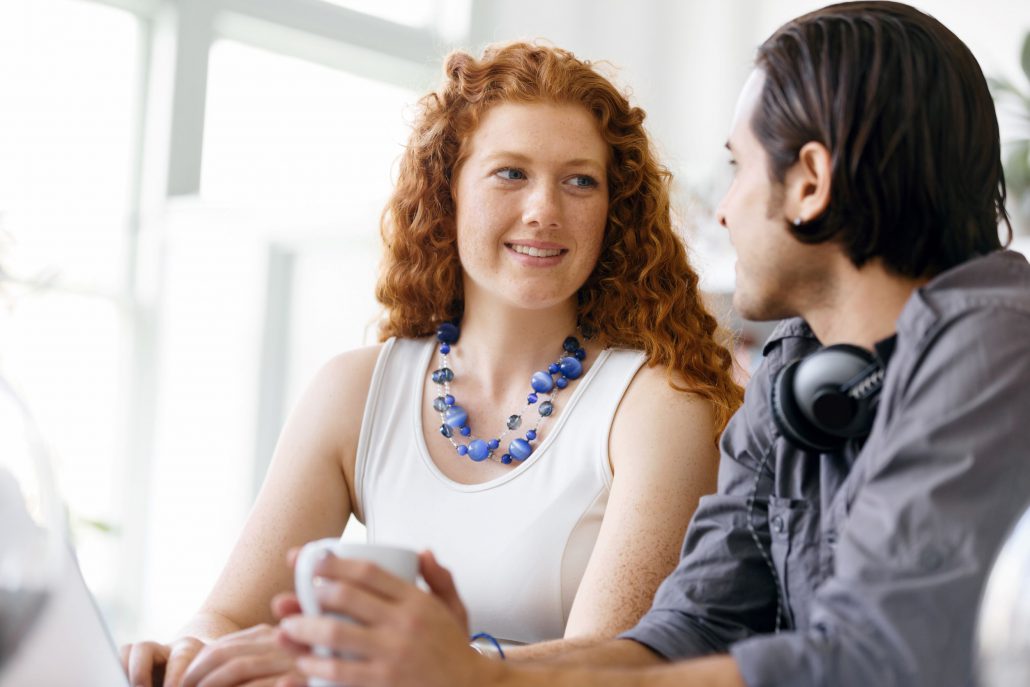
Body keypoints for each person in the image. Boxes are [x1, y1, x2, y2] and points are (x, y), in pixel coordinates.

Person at [272, 3, 1030, 686]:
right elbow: (686, 630)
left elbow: (872, 660)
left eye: (738, 169)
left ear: (809, 183)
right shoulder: (793, 376)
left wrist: (493, 683)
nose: (724, 211)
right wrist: (459, 665)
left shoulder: (997, 350)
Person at [121, 42, 744, 687]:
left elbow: (614, 663)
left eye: (580, 180)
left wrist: (405, 666)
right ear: (446, 191)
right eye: (511, 173)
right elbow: (228, 615)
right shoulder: (354, 391)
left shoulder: (657, 406)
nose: (545, 210)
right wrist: (185, 652)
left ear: (614, 211)